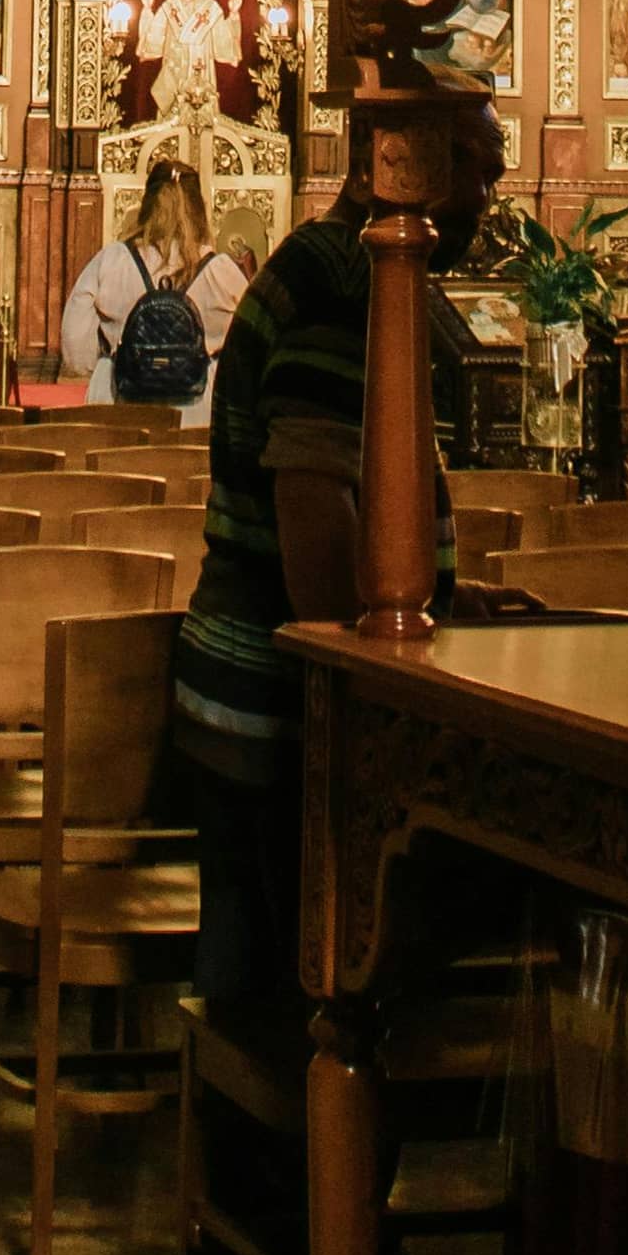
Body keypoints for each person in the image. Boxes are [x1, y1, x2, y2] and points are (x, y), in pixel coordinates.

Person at [175, 68, 503, 1015]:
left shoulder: (356, 274)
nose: (490, 194)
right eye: (479, 168)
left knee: (266, 978)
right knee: (291, 997)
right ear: (409, 158)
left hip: (263, 698)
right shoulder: (344, 285)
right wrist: (401, 634)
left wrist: (444, 598)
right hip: (278, 712)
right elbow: (317, 537)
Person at [64, 158, 248, 416]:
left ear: (146, 205)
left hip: (119, 404)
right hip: (197, 410)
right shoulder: (222, 271)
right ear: (199, 208)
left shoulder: (111, 261)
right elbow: (250, 352)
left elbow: (75, 352)